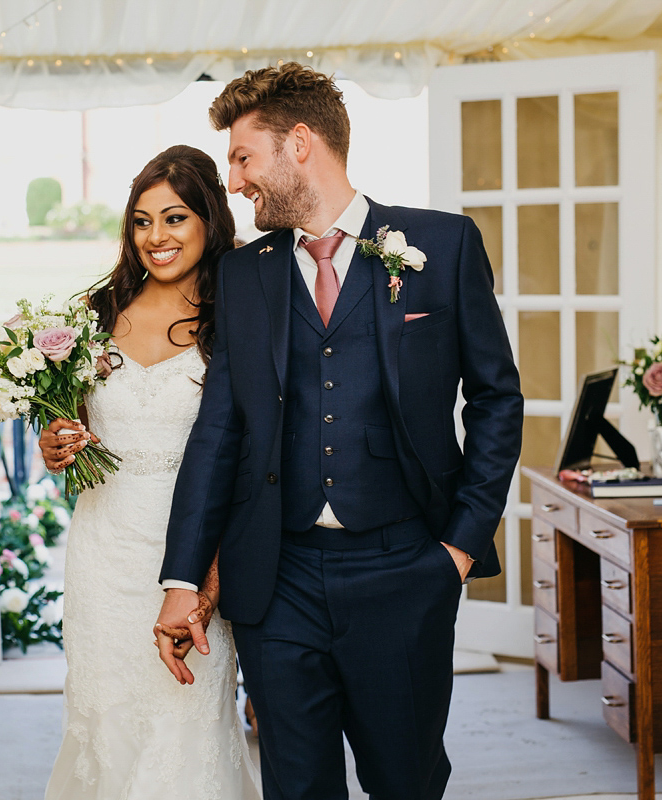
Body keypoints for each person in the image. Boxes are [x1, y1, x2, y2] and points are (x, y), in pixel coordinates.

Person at [155, 64, 523, 800]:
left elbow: (496, 399)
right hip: (279, 577)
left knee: (404, 780)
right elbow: (218, 430)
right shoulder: (245, 274)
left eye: (242, 157)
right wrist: (182, 577)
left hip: (403, 568)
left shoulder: (441, 247)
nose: (234, 181)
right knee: (295, 786)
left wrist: (456, 549)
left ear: (299, 143)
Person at [37, 145, 260, 799]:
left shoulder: (240, 316)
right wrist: (57, 446)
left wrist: (209, 580)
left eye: (174, 218)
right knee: (104, 721)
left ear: (209, 220)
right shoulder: (94, 314)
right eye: (141, 221)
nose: (156, 237)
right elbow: (69, 430)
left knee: (184, 729)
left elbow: (248, 460)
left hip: (195, 551)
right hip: (103, 552)